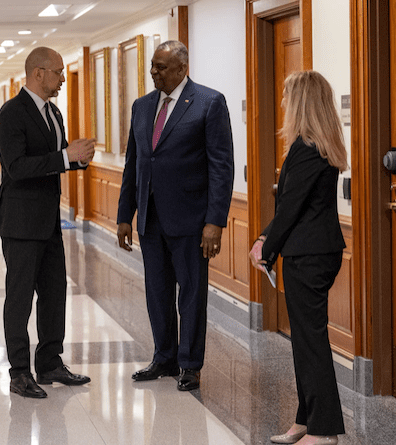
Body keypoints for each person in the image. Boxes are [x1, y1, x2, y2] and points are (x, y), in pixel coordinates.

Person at [116, 40, 234, 392]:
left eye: (161, 67)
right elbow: (133, 165)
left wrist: (215, 222)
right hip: (151, 220)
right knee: (157, 293)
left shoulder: (208, 103)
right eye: (152, 65)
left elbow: (221, 167)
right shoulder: (142, 106)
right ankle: (163, 357)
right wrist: (125, 215)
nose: (153, 72)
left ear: (182, 68)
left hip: (192, 221)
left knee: (192, 294)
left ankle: (190, 364)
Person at [250, 71, 347, 445]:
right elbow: (292, 207)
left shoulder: (307, 149)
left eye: (287, 96)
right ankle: (306, 420)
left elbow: (291, 207)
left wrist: (266, 248)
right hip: (312, 251)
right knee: (305, 340)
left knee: (310, 342)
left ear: (301, 102)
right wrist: (264, 238)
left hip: (310, 255)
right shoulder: (313, 146)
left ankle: (323, 432)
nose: (282, 103)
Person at [0, 46, 96, 398]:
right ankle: (19, 372)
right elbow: (16, 168)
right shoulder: (11, 113)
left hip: (49, 222)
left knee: (54, 293)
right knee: (19, 299)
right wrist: (64, 156)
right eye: (57, 73)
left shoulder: (54, 113)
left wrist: (77, 159)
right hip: (20, 223)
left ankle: (50, 362)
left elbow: (58, 158)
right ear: (38, 73)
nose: (62, 80)